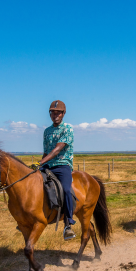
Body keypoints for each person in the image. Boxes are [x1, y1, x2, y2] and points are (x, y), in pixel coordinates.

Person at [39, 100, 77, 241]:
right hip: (48, 165)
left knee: (66, 190)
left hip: (62, 165)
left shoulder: (68, 128)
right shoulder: (47, 131)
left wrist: (41, 162)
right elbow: (46, 152)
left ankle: (68, 224)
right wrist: (39, 165)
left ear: (63, 113)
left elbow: (56, 150)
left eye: (58, 112)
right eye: (53, 112)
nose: (55, 115)